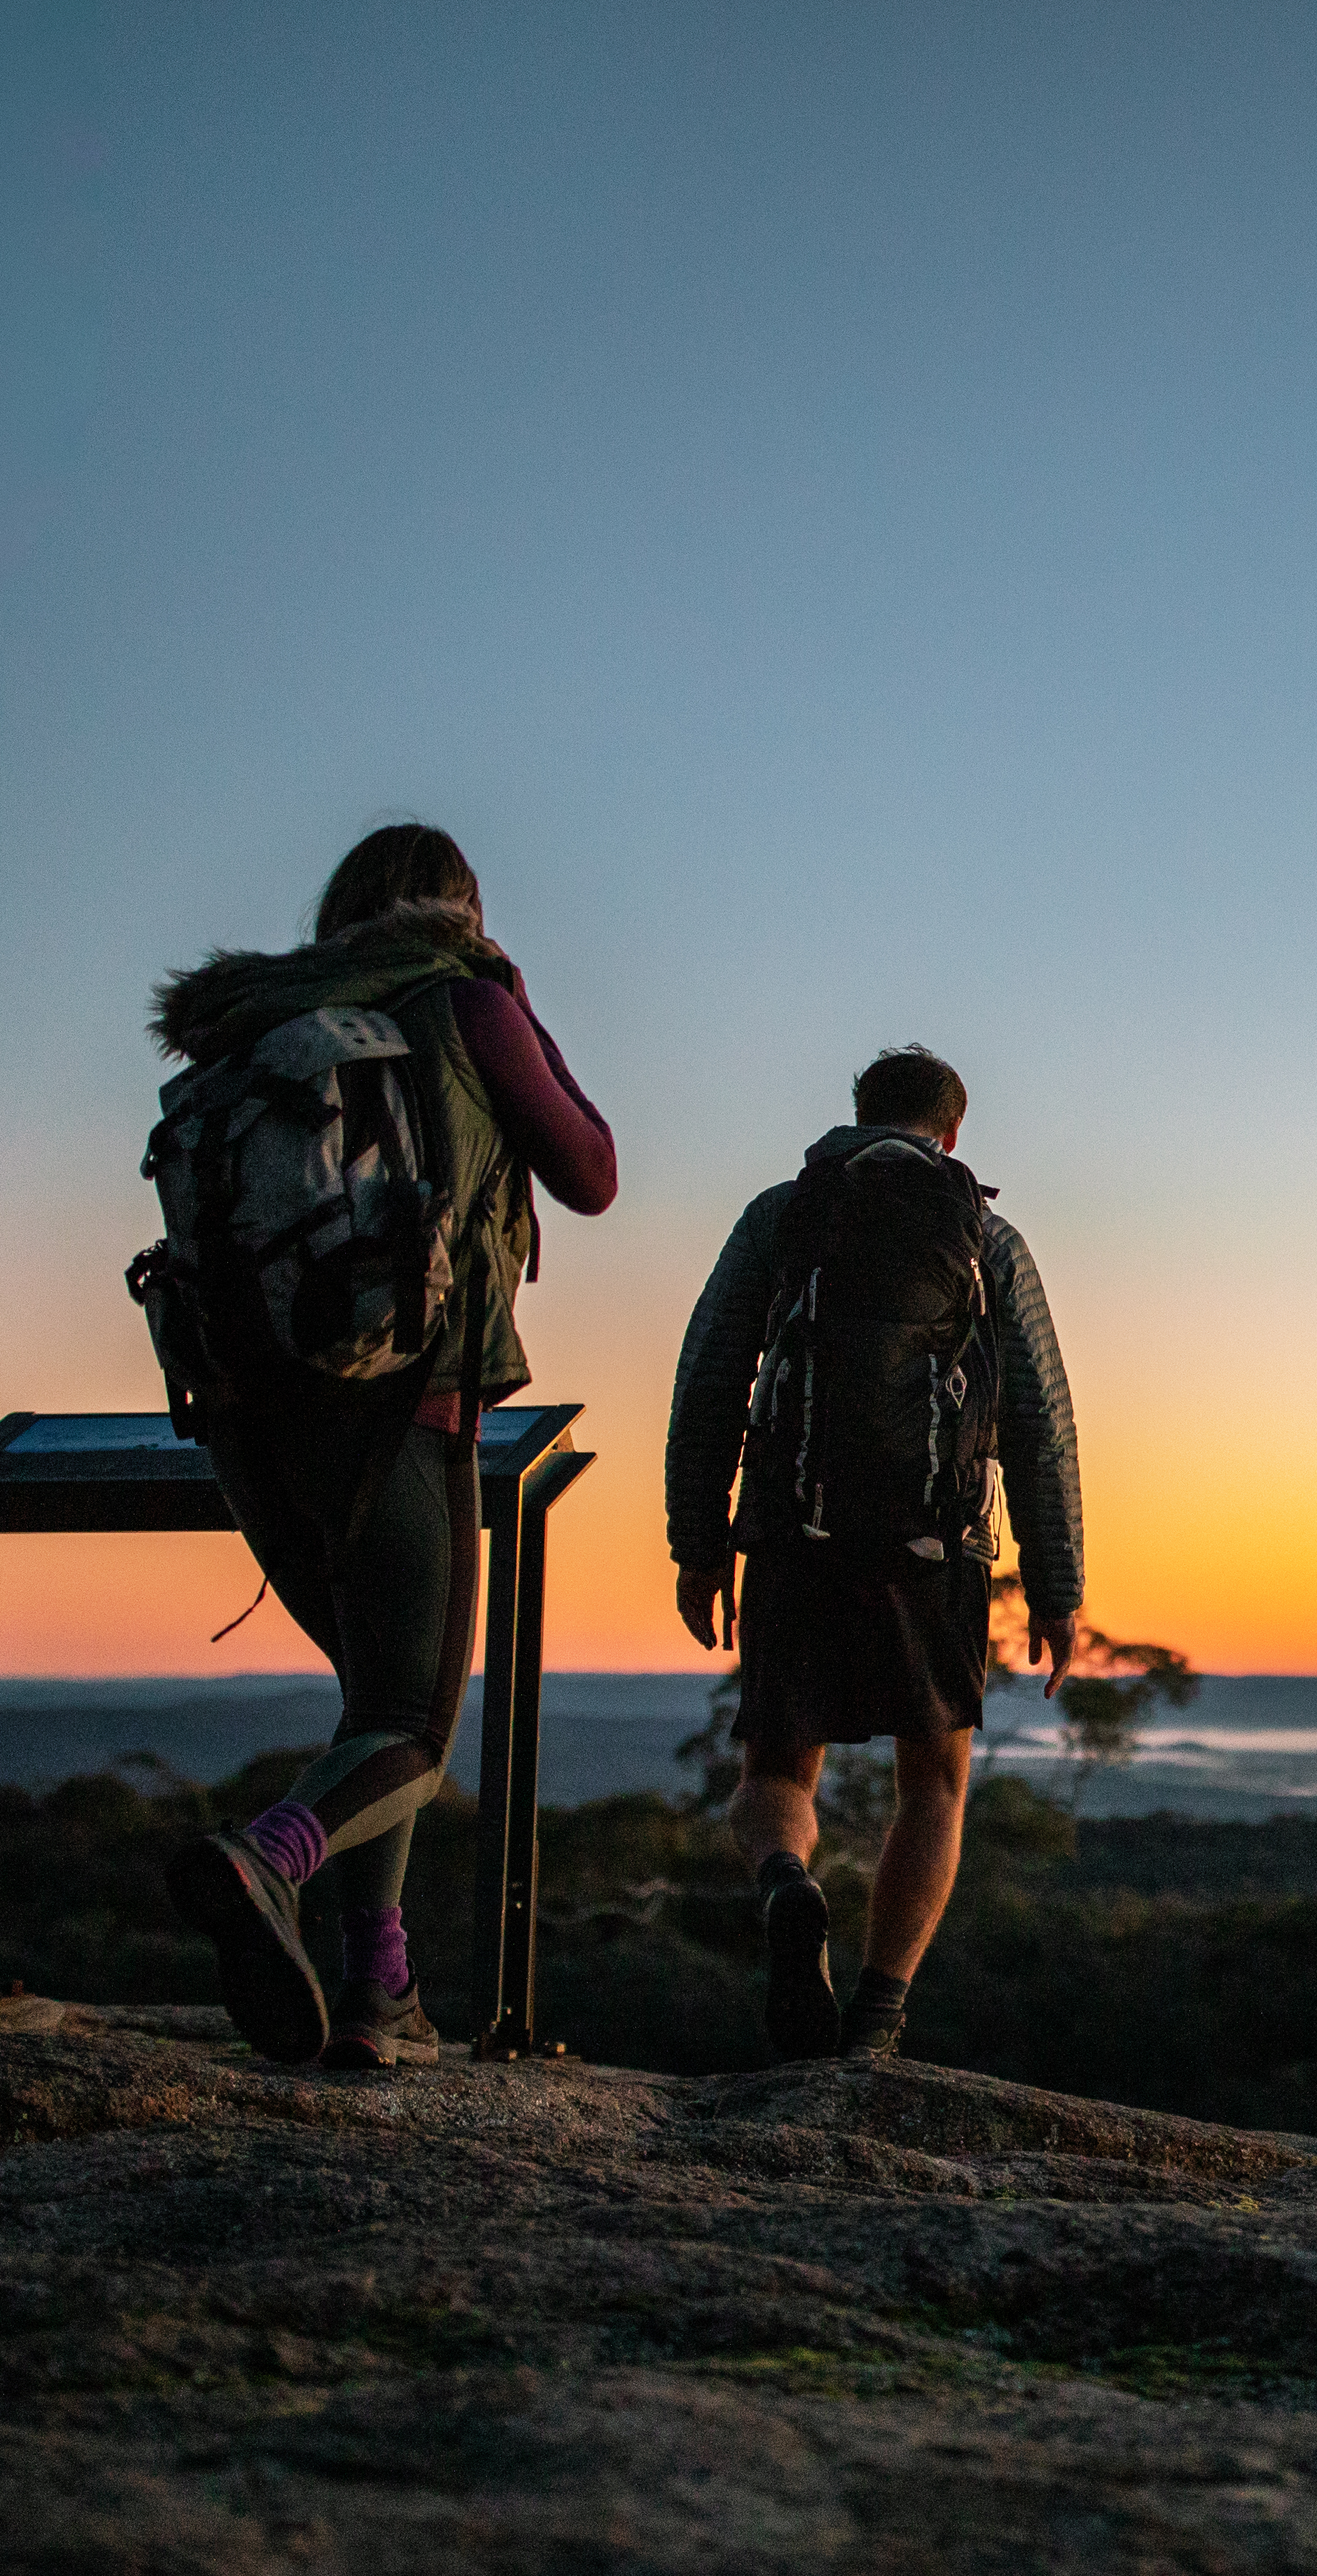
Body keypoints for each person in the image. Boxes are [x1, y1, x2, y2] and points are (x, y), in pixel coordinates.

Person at [150, 824, 618, 2069]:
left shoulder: (264, 1025)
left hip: (250, 1429)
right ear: (459, 911)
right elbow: (591, 1170)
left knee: (375, 1706)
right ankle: (270, 1858)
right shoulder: (464, 1003)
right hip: (406, 1410)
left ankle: (377, 1992)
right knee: (413, 1730)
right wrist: (509, 994)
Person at [664, 1046, 1080, 2060]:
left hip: (792, 1529)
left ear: (857, 1114)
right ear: (953, 1133)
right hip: (935, 1545)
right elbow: (1039, 1418)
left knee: (776, 1763)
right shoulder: (988, 1235)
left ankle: (786, 1884)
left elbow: (710, 1372)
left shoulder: (784, 1214)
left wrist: (699, 1539)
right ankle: (879, 2014)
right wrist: (1058, 1584)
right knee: (933, 1780)